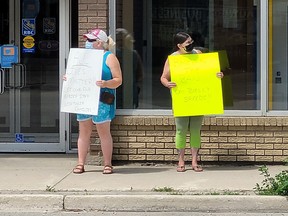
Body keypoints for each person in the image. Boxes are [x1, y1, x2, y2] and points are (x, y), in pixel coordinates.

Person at [160, 32, 223, 172]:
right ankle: (181, 160)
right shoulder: (173, 58)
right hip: (181, 99)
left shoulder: (198, 54)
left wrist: (218, 74)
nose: (190, 44)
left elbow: (210, 72)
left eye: (191, 41)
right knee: (181, 130)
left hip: (197, 98)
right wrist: (167, 83)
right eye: (187, 42)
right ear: (179, 45)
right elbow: (163, 77)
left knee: (195, 130)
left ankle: (194, 161)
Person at [67, 29, 122, 174]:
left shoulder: (109, 57)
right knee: (83, 132)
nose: (87, 43)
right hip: (84, 98)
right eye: (87, 40)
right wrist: (68, 79)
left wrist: (105, 83)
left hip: (102, 99)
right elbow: (75, 75)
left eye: (91, 40)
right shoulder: (82, 58)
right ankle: (80, 163)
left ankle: (107, 164)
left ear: (99, 43)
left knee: (104, 132)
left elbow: (118, 80)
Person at [115, 28, 143, 108]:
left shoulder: (112, 54)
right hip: (129, 90)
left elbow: (139, 74)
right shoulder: (134, 54)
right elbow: (139, 75)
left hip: (123, 90)